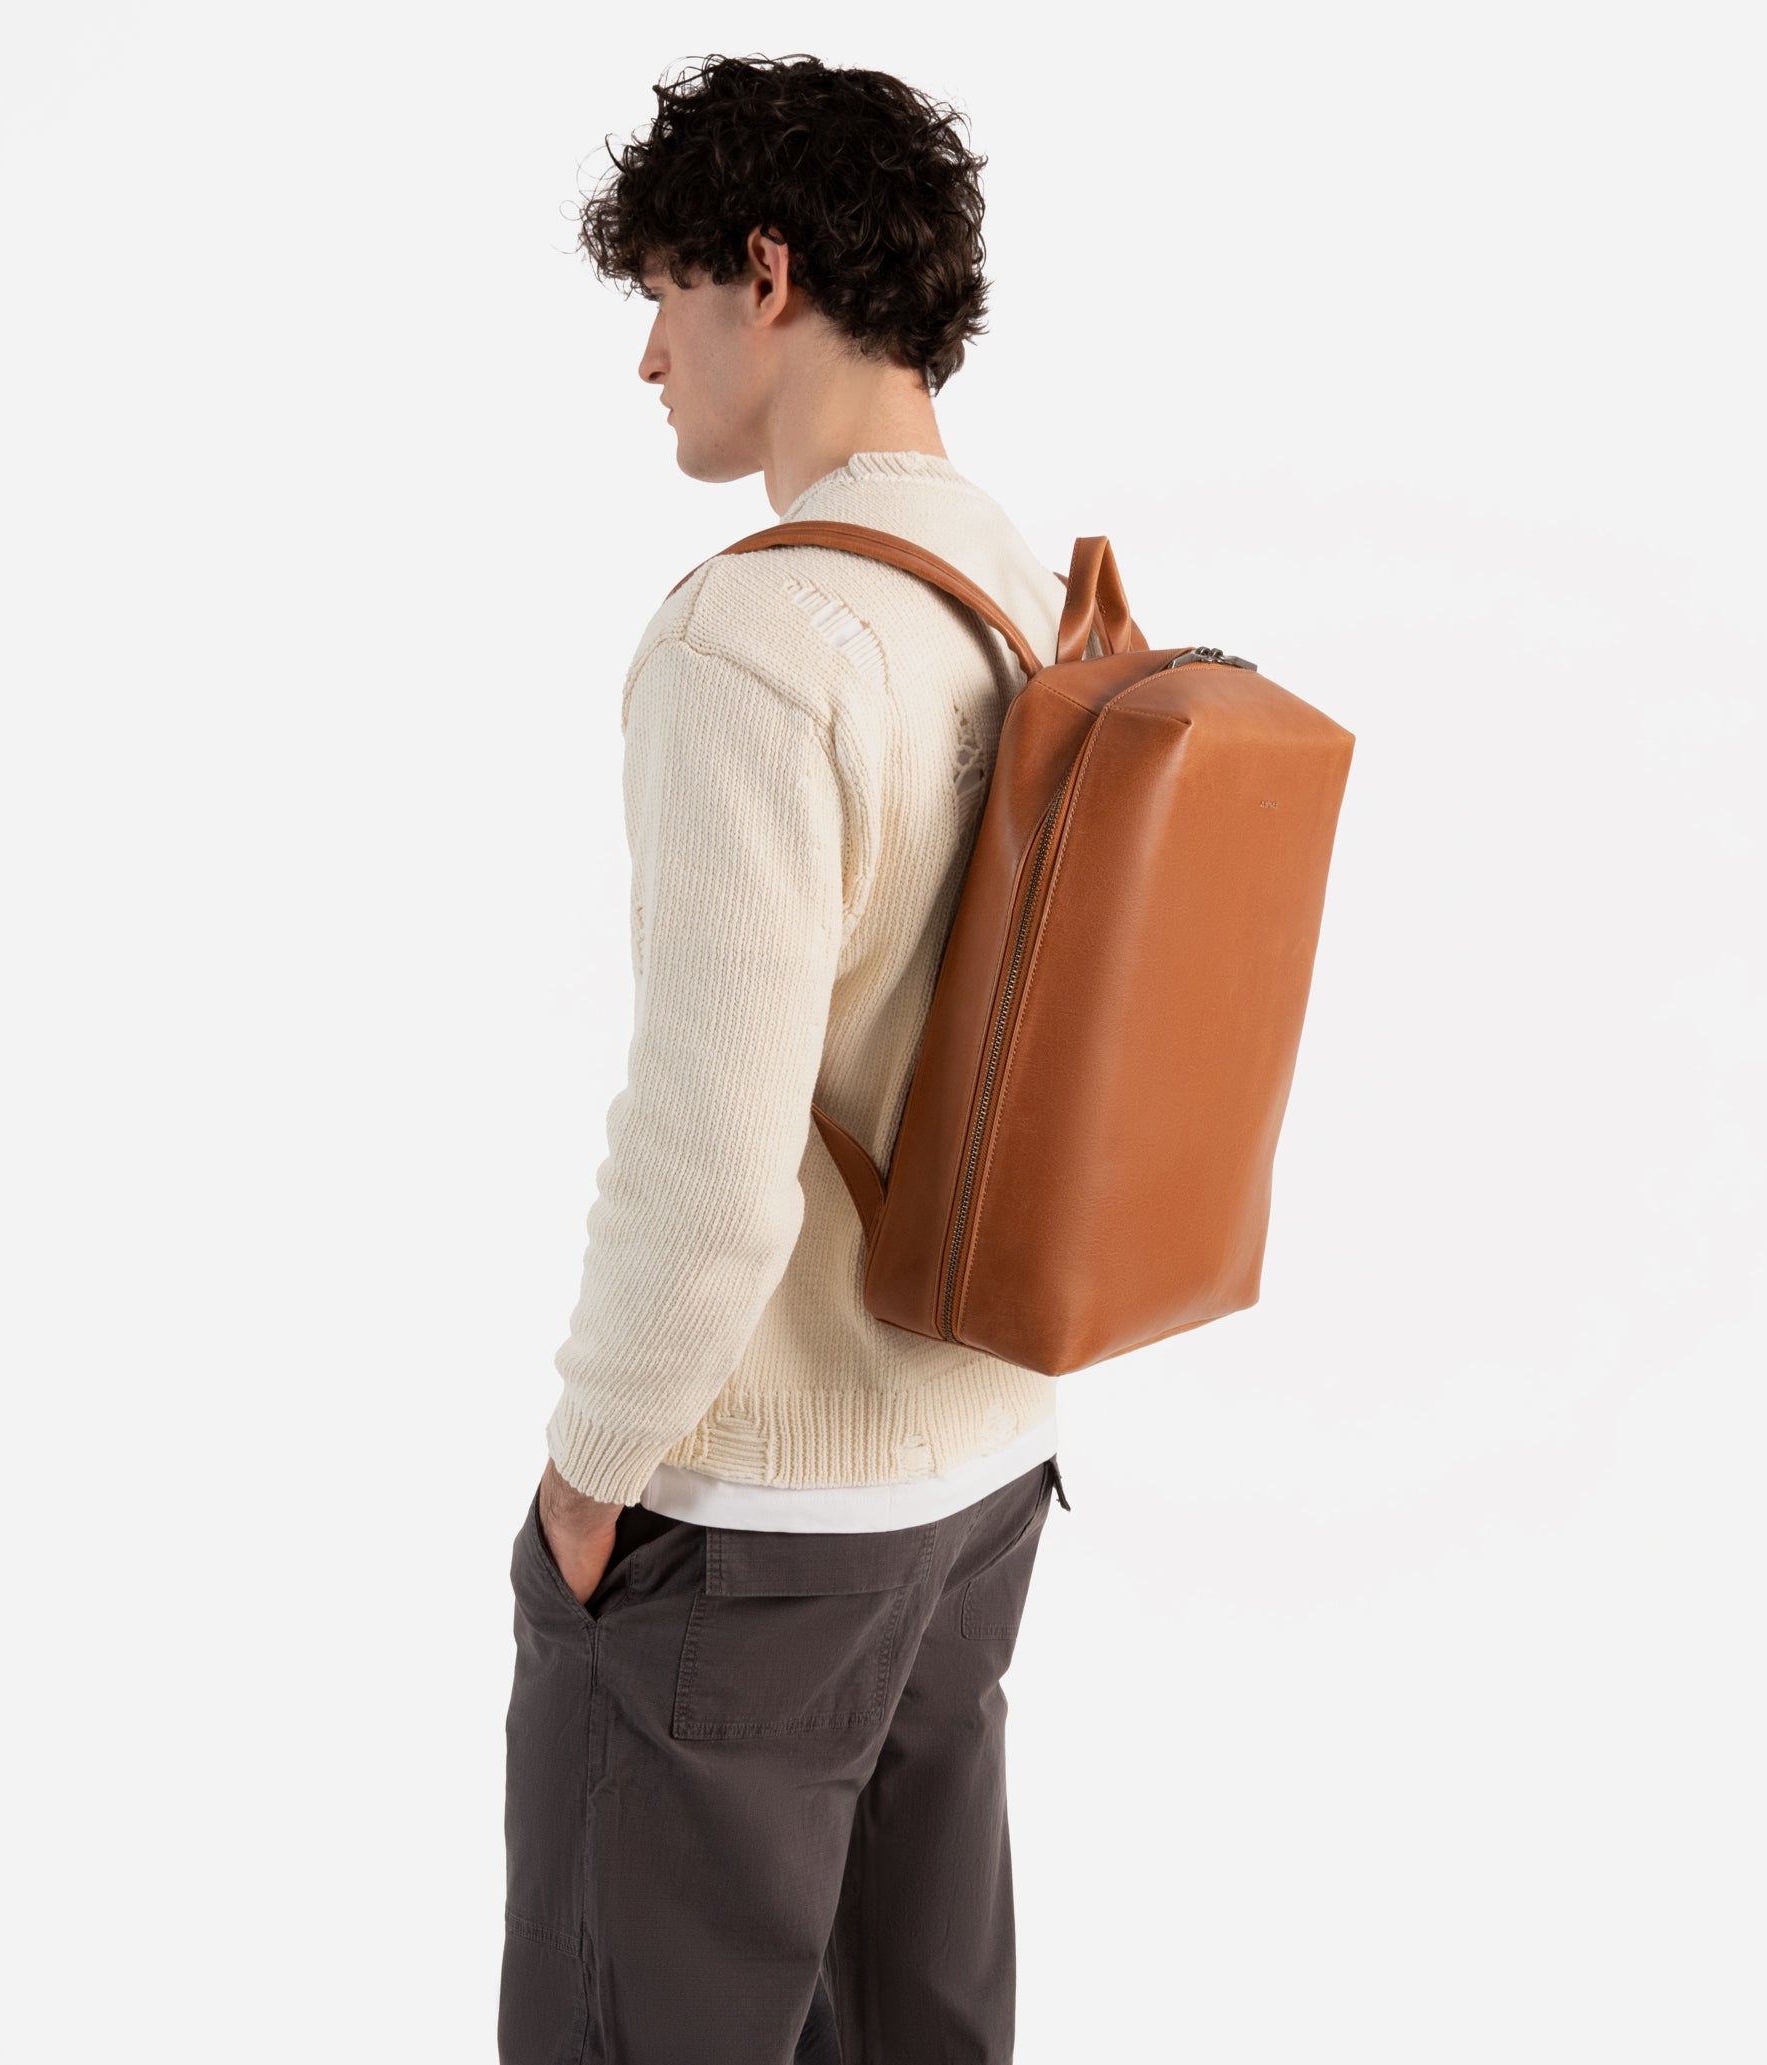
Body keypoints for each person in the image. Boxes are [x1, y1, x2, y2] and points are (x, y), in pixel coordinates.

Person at [500, 53, 1072, 2064]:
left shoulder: (750, 641)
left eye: (665, 294)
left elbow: (710, 1158)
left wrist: (589, 1477)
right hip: (984, 1472)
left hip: (755, 1523)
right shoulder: (1028, 600)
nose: (649, 358)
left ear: (767, 272)